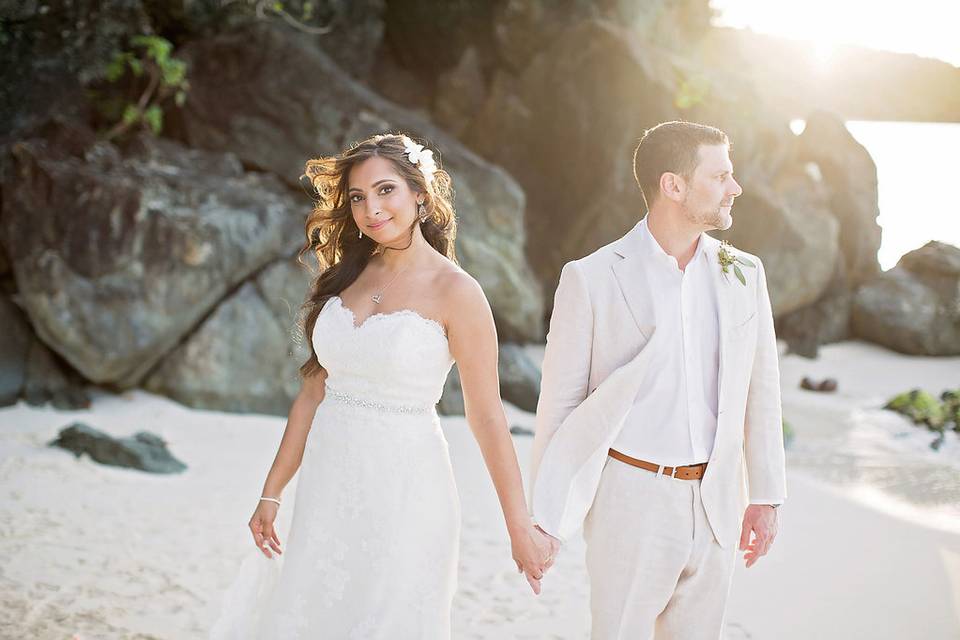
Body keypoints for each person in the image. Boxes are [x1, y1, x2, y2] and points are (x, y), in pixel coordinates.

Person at [211, 133, 557, 639]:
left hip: (408, 495)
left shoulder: (458, 292)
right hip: (326, 492)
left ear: (420, 194)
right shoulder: (342, 277)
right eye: (357, 197)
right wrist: (272, 492)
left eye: (386, 190)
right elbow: (311, 394)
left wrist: (518, 527)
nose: (371, 208)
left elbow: (487, 418)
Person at [530, 121, 787, 639]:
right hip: (630, 499)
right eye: (720, 177)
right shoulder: (593, 277)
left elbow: (761, 390)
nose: (734, 188)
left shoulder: (745, 273)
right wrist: (544, 516)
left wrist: (766, 495)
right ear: (674, 185)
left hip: (718, 501)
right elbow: (559, 404)